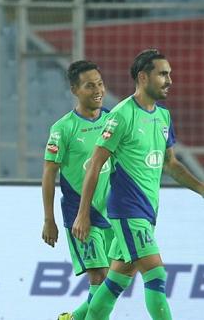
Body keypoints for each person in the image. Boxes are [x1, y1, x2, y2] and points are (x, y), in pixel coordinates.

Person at [72, 49, 204, 320]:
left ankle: (73, 319)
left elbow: (171, 165)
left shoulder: (163, 116)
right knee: (156, 275)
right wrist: (83, 213)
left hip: (147, 211)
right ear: (143, 77)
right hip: (127, 211)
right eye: (163, 74)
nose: (169, 80)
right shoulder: (122, 115)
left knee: (114, 284)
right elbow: (96, 164)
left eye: (170, 74)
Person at [41, 60, 113, 320]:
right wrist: (49, 220)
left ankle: (72, 318)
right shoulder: (64, 128)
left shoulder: (112, 120)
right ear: (75, 90)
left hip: (112, 213)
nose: (98, 90)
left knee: (113, 284)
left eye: (100, 83)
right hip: (80, 214)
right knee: (100, 276)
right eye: (89, 85)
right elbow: (49, 174)